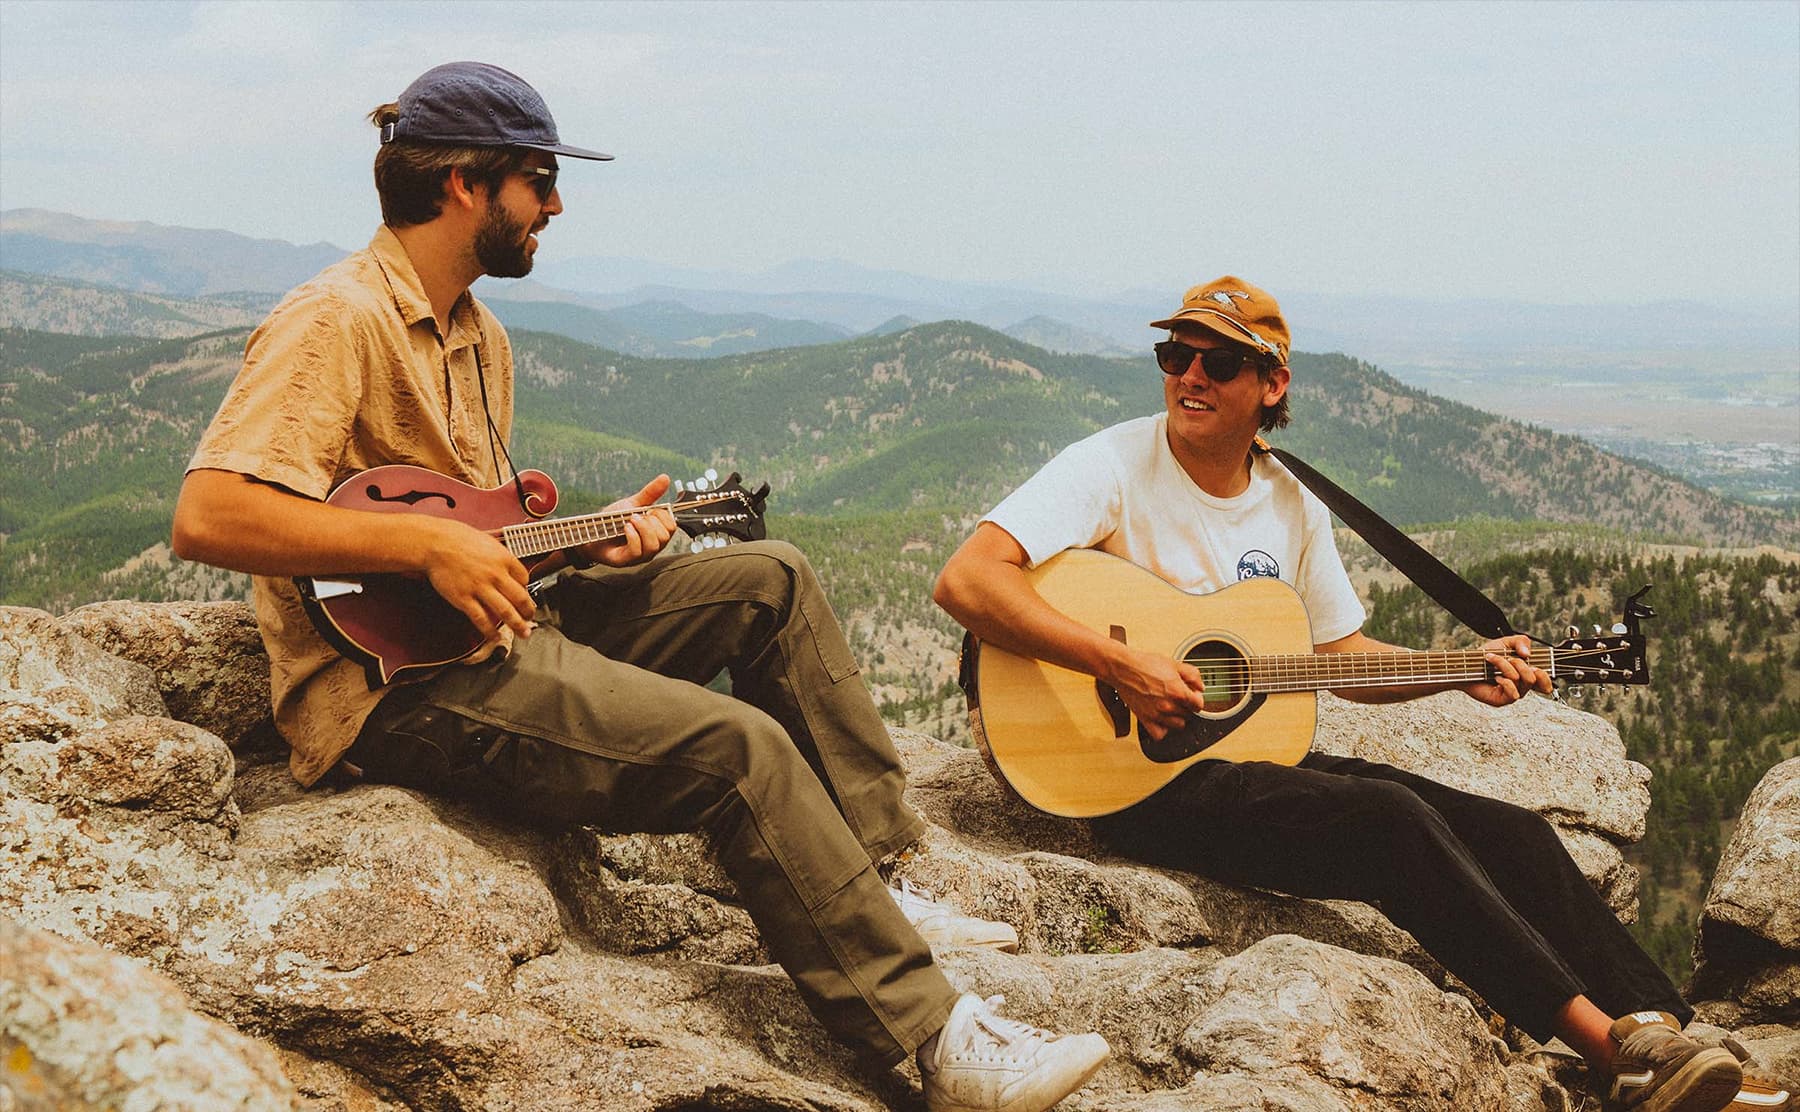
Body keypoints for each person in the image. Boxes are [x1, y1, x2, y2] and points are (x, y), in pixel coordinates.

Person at [171, 61, 1108, 1112]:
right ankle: (938, 1044)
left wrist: (576, 545)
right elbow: (210, 514)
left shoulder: (479, 334)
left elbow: (474, 537)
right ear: (465, 185)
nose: (557, 205)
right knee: (736, 747)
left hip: (504, 625)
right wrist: (427, 551)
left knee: (772, 578)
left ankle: (873, 876)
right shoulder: (337, 318)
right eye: (539, 179)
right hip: (402, 689)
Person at [933, 276, 1791, 1112]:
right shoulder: (1113, 464)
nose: (1189, 376)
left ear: (1272, 385)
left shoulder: (1290, 502)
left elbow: (1338, 656)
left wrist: (1461, 669)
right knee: (1387, 821)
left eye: (1218, 362)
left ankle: (1678, 1045)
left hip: (1244, 762)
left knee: (1516, 833)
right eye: (1175, 355)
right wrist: (1119, 663)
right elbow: (967, 581)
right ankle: (1610, 1053)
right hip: (1129, 780)